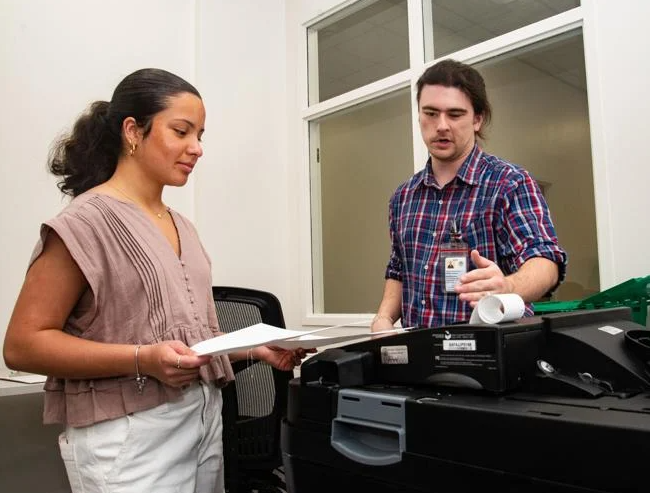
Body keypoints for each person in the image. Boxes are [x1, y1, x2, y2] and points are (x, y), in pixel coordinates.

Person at [2, 68, 308, 493]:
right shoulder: (84, 224)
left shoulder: (183, 226)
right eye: (181, 131)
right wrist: (143, 359)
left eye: (201, 135)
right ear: (133, 131)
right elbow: (22, 344)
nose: (196, 148)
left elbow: (188, 343)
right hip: (128, 439)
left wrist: (254, 348)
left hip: (203, 422)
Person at [371, 59, 567, 332]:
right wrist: (383, 318)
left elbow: (545, 261)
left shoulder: (509, 183)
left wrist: (507, 286)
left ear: (477, 119)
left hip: (484, 358)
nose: (441, 125)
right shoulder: (403, 198)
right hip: (418, 357)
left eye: (454, 114)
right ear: (419, 116)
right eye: (430, 113)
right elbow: (398, 269)